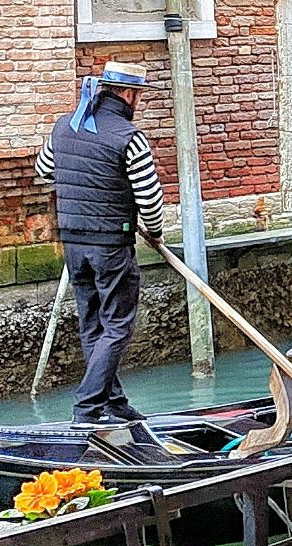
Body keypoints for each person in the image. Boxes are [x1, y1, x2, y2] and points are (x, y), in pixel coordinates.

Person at [34, 61, 168, 425]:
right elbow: (149, 199)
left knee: (93, 323)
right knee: (117, 325)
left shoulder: (64, 126)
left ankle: (114, 403)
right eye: (138, 95)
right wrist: (155, 232)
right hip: (110, 244)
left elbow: (45, 170)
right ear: (127, 94)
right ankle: (88, 410)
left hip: (74, 243)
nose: (137, 101)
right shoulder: (129, 137)